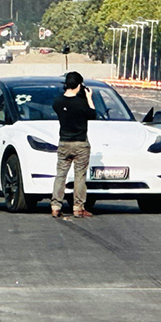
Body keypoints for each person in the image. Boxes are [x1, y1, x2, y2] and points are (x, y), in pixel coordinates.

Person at [50, 71, 97, 218]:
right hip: (80, 142)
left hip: (64, 142)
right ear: (78, 85)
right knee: (80, 176)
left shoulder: (58, 101)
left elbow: (62, 107)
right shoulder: (81, 103)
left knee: (60, 175)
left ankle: (55, 206)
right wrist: (89, 97)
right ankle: (78, 207)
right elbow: (92, 114)